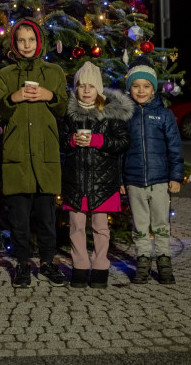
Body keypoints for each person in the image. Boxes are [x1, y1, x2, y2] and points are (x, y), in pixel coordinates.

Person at [0, 18, 68, 289]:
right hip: (17, 156)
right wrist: (13, 98)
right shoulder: (5, 74)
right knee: (19, 217)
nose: (27, 45)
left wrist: (50, 95)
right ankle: (23, 264)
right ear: (15, 43)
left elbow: (63, 109)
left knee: (47, 216)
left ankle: (48, 262)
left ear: (39, 42)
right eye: (21, 40)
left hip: (46, 154)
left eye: (31, 40)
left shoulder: (54, 72)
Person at [60, 61, 134, 289]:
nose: (86, 91)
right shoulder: (69, 114)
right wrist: (72, 140)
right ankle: (80, 267)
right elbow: (60, 140)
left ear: (99, 89)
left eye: (91, 86)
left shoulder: (110, 114)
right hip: (76, 181)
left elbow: (122, 142)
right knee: (77, 226)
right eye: (81, 86)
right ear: (75, 87)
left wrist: (98, 140)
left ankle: (101, 267)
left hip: (104, 181)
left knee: (101, 227)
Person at [122, 56, 184, 285]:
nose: (141, 90)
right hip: (134, 179)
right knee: (140, 223)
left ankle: (164, 260)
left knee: (160, 222)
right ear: (130, 88)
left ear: (153, 89)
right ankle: (143, 260)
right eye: (136, 86)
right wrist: (121, 178)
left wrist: (175, 176)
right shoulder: (126, 114)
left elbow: (174, 147)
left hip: (160, 180)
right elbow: (119, 150)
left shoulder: (164, 114)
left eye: (146, 86)